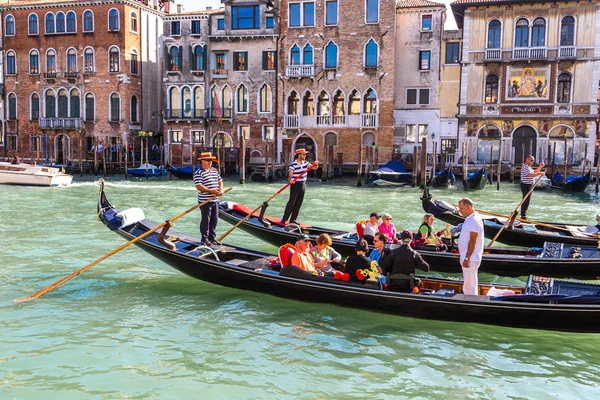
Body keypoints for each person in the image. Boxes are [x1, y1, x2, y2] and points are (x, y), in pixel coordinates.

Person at [281, 148, 319, 225]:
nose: (305, 156)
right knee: (292, 202)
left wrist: (316, 164)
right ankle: (284, 219)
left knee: (299, 202)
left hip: (303, 184)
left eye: (305, 154)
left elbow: (314, 168)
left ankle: (293, 220)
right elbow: (290, 176)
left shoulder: (306, 163)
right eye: (303, 154)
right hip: (295, 185)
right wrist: (290, 180)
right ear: (299, 155)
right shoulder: (293, 165)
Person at [193, 152, 223, 246]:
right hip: (205, 201)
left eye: (211, 160)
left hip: (215, 200)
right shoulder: (198, 173)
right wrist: (212, 191)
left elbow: (220, 181)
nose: (210, 162)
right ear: (202, 161)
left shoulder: (214, 170)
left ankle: (212, 238)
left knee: (214, 220)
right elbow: (199, 187)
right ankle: (204, 239)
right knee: (206, 220)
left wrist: (220, 189)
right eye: (208, 160)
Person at [457, 198, 484, 295]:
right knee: (468, 282)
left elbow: (473, 241)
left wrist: (467, 258)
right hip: (468, 256)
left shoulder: (474, 220)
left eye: (461, 208)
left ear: (468, 207)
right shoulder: (471, 218)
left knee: (470, 284)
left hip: (470, 257)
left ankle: (471, 301)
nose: (459, 211)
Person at [520, 155, 545, 220]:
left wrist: (540, 167)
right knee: (526, 200)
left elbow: (534, 172)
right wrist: (540, 173)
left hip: (529, 185)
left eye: (533, 160)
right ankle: (523, 216)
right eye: (531, 160)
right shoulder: (525, 167)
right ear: (527, 160)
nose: (532, 162)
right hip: (526, 185)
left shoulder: (528, 167)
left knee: (527, 200)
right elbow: (529, 175)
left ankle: (523, 215)